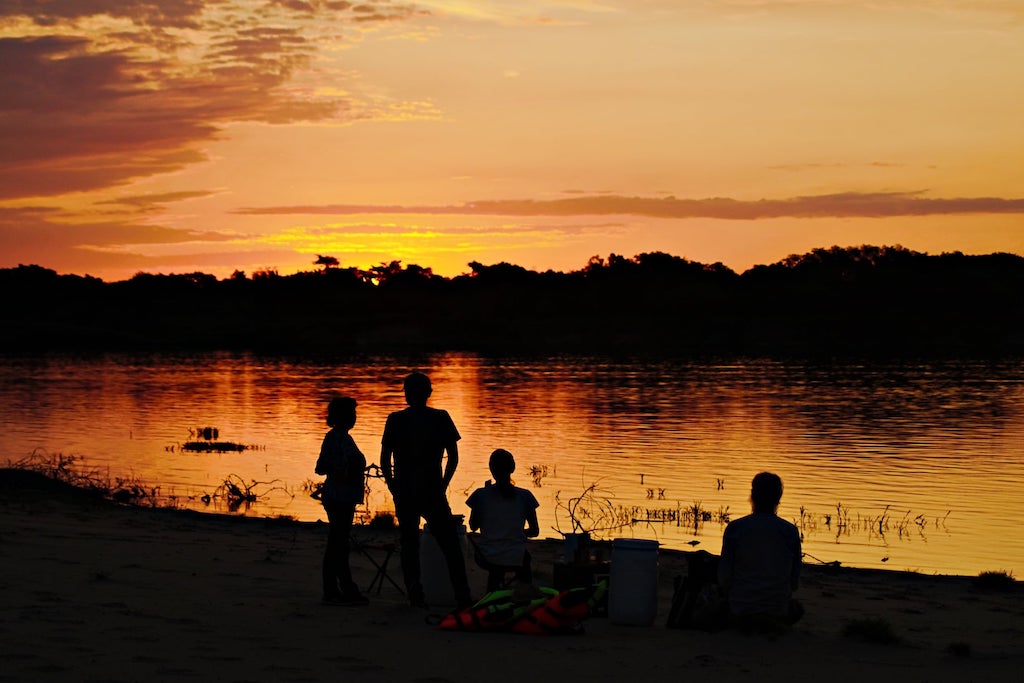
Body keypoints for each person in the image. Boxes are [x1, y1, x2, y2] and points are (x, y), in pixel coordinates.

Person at [381, 372, 472, 608]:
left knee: (410, 542)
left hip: (407, 491)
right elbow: (453, 457)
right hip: (431, 491)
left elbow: (384, 458)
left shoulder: (395, 419)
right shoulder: (440, 418)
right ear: (429, 393)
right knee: (450, 544)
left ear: (406, 394)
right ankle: (461, 594)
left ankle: (416, 594)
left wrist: (393, 486)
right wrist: (443, 484)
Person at [717, 471, 803, 629]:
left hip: (740, 606)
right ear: (778, 498)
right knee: (797, 609)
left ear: (752, 496)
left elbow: (724, 576)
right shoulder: (789, 531)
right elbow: (794, 581)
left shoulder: (736, 528)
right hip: (778, 608)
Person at [314, 396, 369, 606]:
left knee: (336, 542)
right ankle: (345, 589)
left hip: (337, 496)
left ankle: (332, 589)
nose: (355, 418)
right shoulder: (340, 438)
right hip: (340, 497)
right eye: (352, 414)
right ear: (344, 417)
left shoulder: (334, 437)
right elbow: (322, 467)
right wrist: (343, 472)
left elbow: (321, 467)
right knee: (339, 544)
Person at [466, 449, 540, 592]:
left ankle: (493, 595)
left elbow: (473, 526)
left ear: (491, 470)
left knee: (497, 567)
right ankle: (525, 592)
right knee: (524, 559)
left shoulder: (480, 495)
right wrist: (516, 533)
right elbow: (535, 531)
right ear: (512, 468)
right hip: (516, 555)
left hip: (488, 555)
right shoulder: (526, 496)